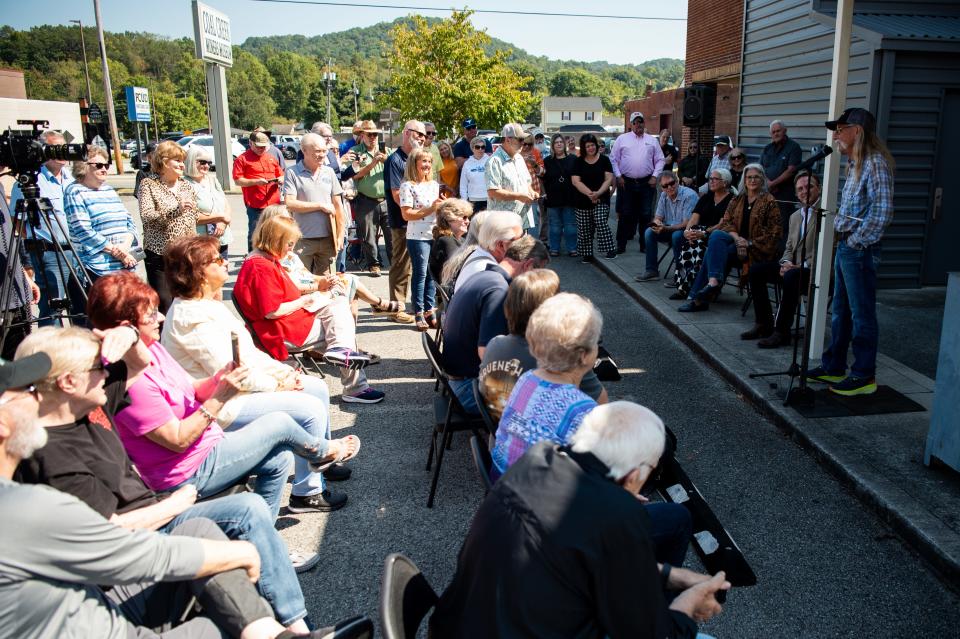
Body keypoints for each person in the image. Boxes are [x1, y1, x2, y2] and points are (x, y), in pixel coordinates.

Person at [0, 354, 346, 639]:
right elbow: (124, 549)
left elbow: (126, 359)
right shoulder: (32, 491)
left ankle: (282, 631)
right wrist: (224, 544)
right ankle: (289, 626)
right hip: (165, 501)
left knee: (213, 548)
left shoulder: (88, 414)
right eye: (27, 389)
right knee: (252, 494)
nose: (36, 397)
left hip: (116, 569)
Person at [430, 401, 730, 638]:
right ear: (634, 474)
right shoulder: (617, 513)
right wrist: (691, 601)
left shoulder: (537, 460)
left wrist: (672, 576)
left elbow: (587, 562)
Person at [85, 271, 362, 517]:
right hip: (183, 470)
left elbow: (191, 388)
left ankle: (263, 537)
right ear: (126, 327)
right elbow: (178, 440)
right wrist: (221, 394)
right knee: (280, 422)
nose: (159, 316)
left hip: (205, 443)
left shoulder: (151, 347)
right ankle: (322, 452)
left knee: (279, 458)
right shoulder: (130, 380)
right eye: (150, 314)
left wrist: (219, 379)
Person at [161, 235, 353, 511]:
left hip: (237, 393)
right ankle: (307, 492)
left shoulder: (207, 305)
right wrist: (278, 385)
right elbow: (231, 373)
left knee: (316, 387)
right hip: (222, 404)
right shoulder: (190, 317)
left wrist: (286, 375)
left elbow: (249, 355)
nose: (225, 261)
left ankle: (319, 460)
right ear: (199, 272)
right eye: (217, 260)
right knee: (309, 407)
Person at [234, 216, 384, 404]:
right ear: (276, 240)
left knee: (338, 305)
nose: (291, 249)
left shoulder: (263, 259)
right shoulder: (260, 267)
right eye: (289, 244)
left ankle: (342, 352)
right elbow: (272, 311)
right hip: (280, 331)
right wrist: (306, 299)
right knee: (341, 327)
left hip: (286, 324)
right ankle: (354, 385)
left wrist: (316, 294)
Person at [805, 107, 894, 396]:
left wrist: (856, 242)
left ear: (857, 131)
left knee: (861, 313)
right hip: (847, 246)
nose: (836, 135)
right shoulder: (855, 164)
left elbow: (881, 212)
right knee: (840, 311)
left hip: (859, 249)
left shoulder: (875, 162)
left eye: (841, 129)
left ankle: (864, 374)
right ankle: (834, 366)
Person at [489, 293, 602, 478]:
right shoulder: (582, 409)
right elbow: (597, 470)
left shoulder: (527, 379)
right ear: (583, 355)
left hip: (502, 480)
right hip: (537, 498)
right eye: (597, 342)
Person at [478, 269, 606, 422]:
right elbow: (601, 408)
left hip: (500, 432)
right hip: (542, 439)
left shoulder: (495, 344)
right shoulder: (557, 358)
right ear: (549, 310)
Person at [441, 235, 549, 413]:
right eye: (539, 271)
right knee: (549, 402)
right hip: (469, 389)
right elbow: (487, 354)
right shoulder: (499, 291)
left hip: (459, 380)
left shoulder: (485, 274)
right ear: (528, 265)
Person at [9, 129, 86, 326]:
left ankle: (80, 351)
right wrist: (37, 239)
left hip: (76, 251)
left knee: (82, 306)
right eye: (55, 148)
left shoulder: (72, 178)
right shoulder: (30, 182)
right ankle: (51, 353)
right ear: (43, 151)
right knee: (54, 309)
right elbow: (16, 220)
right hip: (49, 253)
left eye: (63, 146)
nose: (62, 152)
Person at [680, 163, 781, 313]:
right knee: (717, 235)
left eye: (756, 177)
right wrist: (737, 238)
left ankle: (699, 297)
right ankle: (712, 282)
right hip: (736, 241)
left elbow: (774, 233)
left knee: (711, 252)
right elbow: (726, 222)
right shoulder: (738, 199)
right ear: (744, 180)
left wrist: (747, 242)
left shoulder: (769, 201)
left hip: (756, 247)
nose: (752, 180)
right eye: (749, 177)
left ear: (762, 180)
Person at [755, 172, 822, 348]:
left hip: (817, 271)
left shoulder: (826, 213)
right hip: (794, 268)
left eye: (809, 187)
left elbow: (825, 250)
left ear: (819, 188)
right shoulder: (795, 216)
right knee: (757, 271)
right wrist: (785, 263)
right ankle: (764, 323)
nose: (804, 191)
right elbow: (789, 247)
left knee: (792, 277)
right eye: (800, 189)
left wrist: (800, 265)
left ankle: (781, 332)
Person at [137, 140, 197, 313]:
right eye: (177, 160)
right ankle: (163, 338)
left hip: (184, 254)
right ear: (163, 161)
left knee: (185, 302)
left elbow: (192, 216)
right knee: (164, 303)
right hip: (159, 254)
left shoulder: (186, 185)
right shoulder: (149, 184)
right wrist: (174, 211)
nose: (181, 165)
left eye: (182, 161)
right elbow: (147, 216)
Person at [64, 145, 140, 280]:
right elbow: (84, 232)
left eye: (106, 165)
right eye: (99, 165)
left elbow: (129, 221)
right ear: (83, 166)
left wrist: (126, 246)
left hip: (124, 263)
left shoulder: (109, 190)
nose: (104, 169)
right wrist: (120, 253)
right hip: (97, 269)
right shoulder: (74, 191)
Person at [283, 132, 344, 276]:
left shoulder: (329, 172)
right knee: (301, 281)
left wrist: (340, 235)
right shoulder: (292, 173)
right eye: (317, 151)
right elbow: (290, 203)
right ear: (304, 150)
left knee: (327, 283)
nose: (322, 155)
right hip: (302, 240)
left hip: (328, 239)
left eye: (324, 151)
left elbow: (338, 206)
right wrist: (320, 205)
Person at [384, 120, 426, 324]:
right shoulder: (395, 160)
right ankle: (397, 307)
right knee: (401, 264)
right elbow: (395, 194)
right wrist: (415, 213)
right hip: (403, 221)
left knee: (420, 265)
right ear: (407, 133)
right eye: (419, 134)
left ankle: (419, 305)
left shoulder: (420, 158)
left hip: (422, 221)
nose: (422, 138)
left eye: (425, 135)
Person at [672, 169, 735, 300]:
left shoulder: (732, 200)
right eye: (710, 179)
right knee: (681, 237)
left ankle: (697, 287)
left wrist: (704, 233)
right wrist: (687, 232)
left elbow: (723, 224)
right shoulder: (706, 197)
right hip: (698, 231)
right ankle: (683, 286)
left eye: (714, 179)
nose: (710, 181)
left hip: (716, 234)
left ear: (725, 182)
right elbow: (694, 218)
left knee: (698, 244)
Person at [399, 147, 443, 331]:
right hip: (417, 236)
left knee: (432, 274)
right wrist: (431, 209)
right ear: (414, 164)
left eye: (429, 162)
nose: (427, 165)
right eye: (423, 161)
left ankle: (429, 309)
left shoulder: (433, 185)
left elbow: (435, 209)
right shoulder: (407, 186)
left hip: (434, 234)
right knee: (420, 274)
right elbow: (407, 214)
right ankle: (418, 312)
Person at [610, 112, 665, 254]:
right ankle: (621, 245)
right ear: (631, 124)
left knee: (645, 215)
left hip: (646, 183)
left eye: (641, 121)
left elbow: (660, 159)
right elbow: (613, 159)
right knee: (625, 214)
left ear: (644, 123)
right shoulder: (622, 139)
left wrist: (654, 176)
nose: (638, 124)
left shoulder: (652, 140)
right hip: (626, 183)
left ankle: (645, 245)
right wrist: (618, 175)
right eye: (635, 122)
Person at [341, 120, 391, 277]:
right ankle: (373, 264)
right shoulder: (355, 151)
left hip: (386, 199)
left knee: (391, 235)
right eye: (370, 134)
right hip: (365, 199)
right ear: (362, 135)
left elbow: (397, 172)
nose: (373, 137)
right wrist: (373, 163)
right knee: (368, 235)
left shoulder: (387, 151)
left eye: (375, 134)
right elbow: (354, 175)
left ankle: (394, 264)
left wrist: (386, 162)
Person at [0, 176, 39, 360]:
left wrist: (24, 276)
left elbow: (8, 239)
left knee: (18, 363)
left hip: (17, 291)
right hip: (3, 299)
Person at [636, 172, 698, 282]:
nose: (669, 187)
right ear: (661, 187)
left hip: (688, 230)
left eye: (671, 183)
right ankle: (652, 271)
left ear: (677, 181)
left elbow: (686, 223)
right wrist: (657, 223)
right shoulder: (664, 195)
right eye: (665, 186)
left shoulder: (689, 195)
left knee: (677, 236)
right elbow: (658, 217)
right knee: (649, 232)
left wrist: (665, 228)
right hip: (669, 228)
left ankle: (680, 275)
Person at [233, 131, 283, 251]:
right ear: (250, 143)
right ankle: (252, 258)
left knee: (274, 232)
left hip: (273, 203)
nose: (261, 149)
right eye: (258, 146)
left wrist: (280, 179)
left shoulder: (271, 158)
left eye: (264, 147)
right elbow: (238, 180)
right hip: (256, 204)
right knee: (255, 233)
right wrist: (255, 182)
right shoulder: (242, 159)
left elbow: (281, 174)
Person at [451, 210, 523, 293]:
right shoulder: (490, 274)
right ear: (500, 245)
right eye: (519, 239)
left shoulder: (478, 253)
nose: (523, 243)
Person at [485, 123, 538, 234]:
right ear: (508, 139)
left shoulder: (519, 157)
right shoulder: (494, 161)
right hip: (504, 224)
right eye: (520, 139)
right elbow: (493, 192)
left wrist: (531, 192)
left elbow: (527, 182)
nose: (523, 143)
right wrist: (519, 196)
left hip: (521, 220)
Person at [571, 133, 616, 262]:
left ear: (596, 145)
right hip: (583, 199)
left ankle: (610, 249)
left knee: (600, 220)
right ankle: (587, 253)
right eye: (587, 146)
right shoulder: (578, 162)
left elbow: (608, 179)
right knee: (584, 227)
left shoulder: (604, 160)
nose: (590, 148)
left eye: (592, 145)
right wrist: (590, 194)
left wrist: (598, 193)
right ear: (583, 148)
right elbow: (575, 181)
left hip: (602, 198)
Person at [184, 145, 232, 256]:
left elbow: (226, 204)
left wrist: (222, 222)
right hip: (200, 242)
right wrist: (220, 217)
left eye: (209, 163)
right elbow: (190, 216)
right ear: (191, 161)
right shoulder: (184, 184)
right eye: (203, 162)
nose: (207, 166)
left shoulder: (212, 180)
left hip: (221, 238)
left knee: (221, 271)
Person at [760, 120, 802, 237]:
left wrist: (773, 184)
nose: (776, 134)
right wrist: (768, 183)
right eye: (773, 132)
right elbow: (760, 168)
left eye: (778, 131)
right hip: (768, 193)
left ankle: (781, 252)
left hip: (785, 195)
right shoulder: (767, 148)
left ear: (785, 131)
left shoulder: (794, 147)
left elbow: (791, 170)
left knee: (783, 225)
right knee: (767, 222)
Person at [542, 133, 578, 256]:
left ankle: (572, 248)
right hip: (553, 198)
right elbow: (542, 179)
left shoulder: (573, 159)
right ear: (552, 145)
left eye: (561, 142)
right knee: (555, 226)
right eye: (556, 142)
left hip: (569, 198)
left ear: (564, 144)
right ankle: (554, 248)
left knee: (570, 226)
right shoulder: (547, 161)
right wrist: (544, 193)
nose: (559, 144)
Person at [429, 198, 472, 285]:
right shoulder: (446, 240)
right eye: (464, 217)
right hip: (456, 288)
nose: (467, 221)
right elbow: (456, 269)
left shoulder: (461, 240)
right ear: (449, 219)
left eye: (467, 217)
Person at [520, 133, 545, 239]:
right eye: (524, 144)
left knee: (533, 220)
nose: (526, 147)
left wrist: (534, 164)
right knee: (519, 221)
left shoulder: (536, 152)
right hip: (518, 192)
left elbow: (543, 172)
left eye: (529, 144)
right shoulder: (515, 153)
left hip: (533, 192)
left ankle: (533, 246)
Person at [458, 136, 489, 212]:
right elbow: (463, 185)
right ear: (472, 148)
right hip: (473, 200)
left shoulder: (490, 161)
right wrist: (464, 201)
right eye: (477, 147)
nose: (480, 149)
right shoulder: (467, 164)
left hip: (489, 200)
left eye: (483, 147)